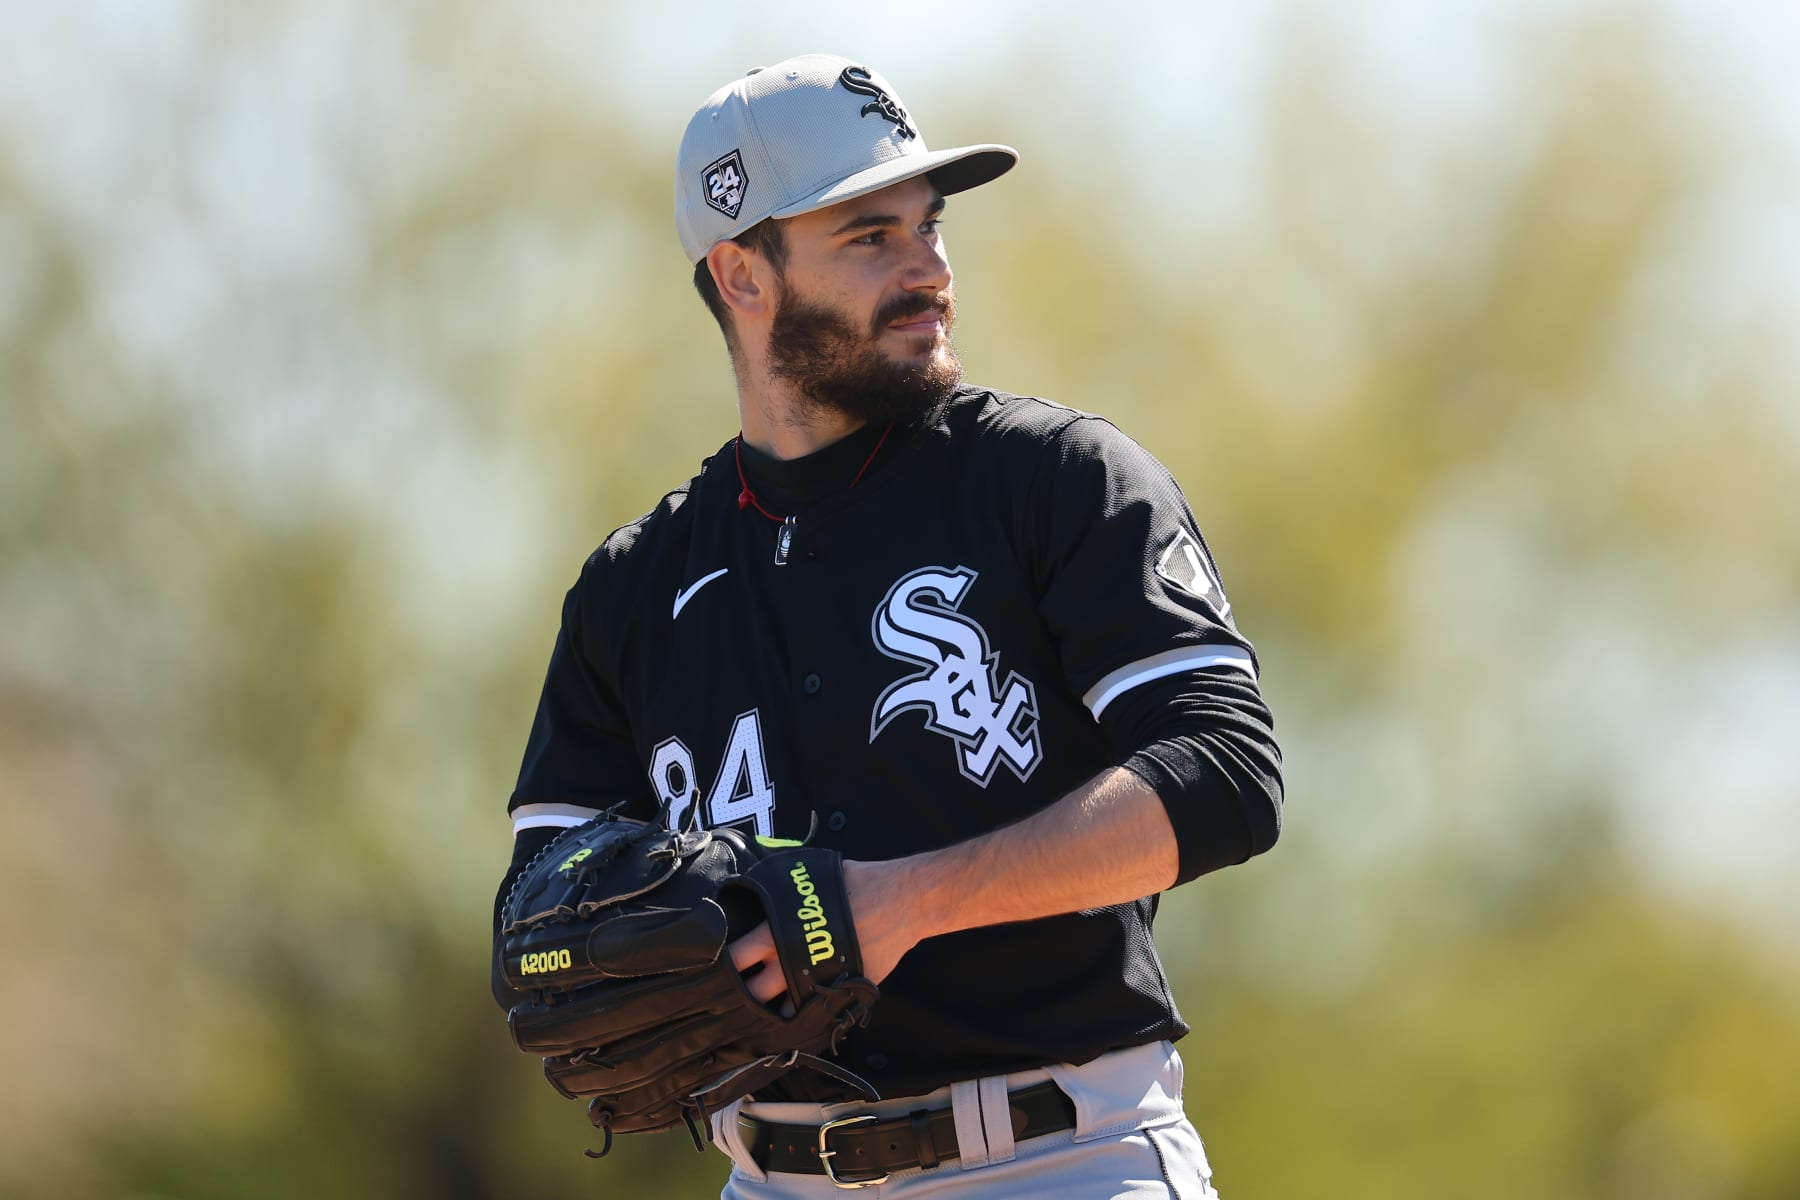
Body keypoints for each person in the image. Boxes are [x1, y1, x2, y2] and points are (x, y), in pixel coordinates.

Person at [496, 53, 1282, 1198]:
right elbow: (535, 914)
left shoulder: (1055, 483)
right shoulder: (635, 587)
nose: (929, 269)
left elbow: (1225, 772)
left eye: (930, 225)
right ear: (741, 274)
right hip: (768, 1177)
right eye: (870, 236)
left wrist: (891, 903)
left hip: (1065, 1157)